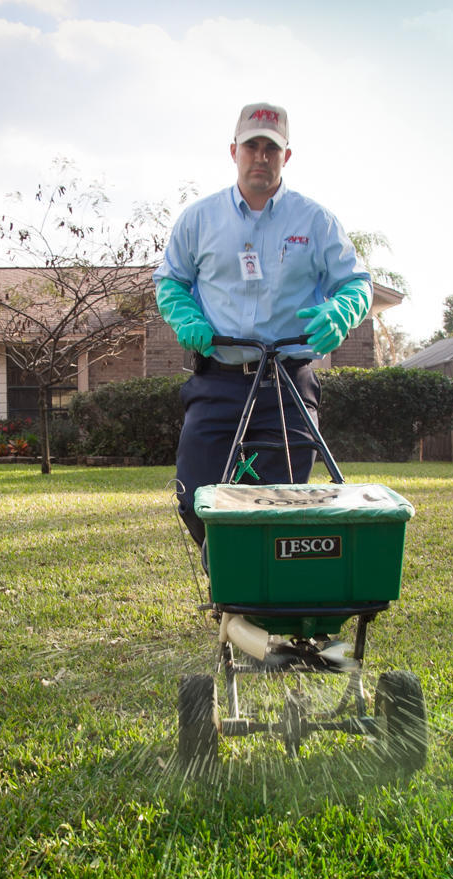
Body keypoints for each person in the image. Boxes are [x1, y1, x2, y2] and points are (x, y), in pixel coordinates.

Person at [154, 102, 374, 548]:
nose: (260, 156)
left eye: (271, 148)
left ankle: (265, 607)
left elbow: (356, 283)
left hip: (288, 384)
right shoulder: (199, 219)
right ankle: (231, 590)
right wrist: (186, 316)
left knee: (285, 502)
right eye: (251, 146)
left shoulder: (315, 221)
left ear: (286, 156)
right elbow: (170, 282)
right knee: (196, 495)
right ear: (234, 150)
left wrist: (342, 311)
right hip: (219, 380)